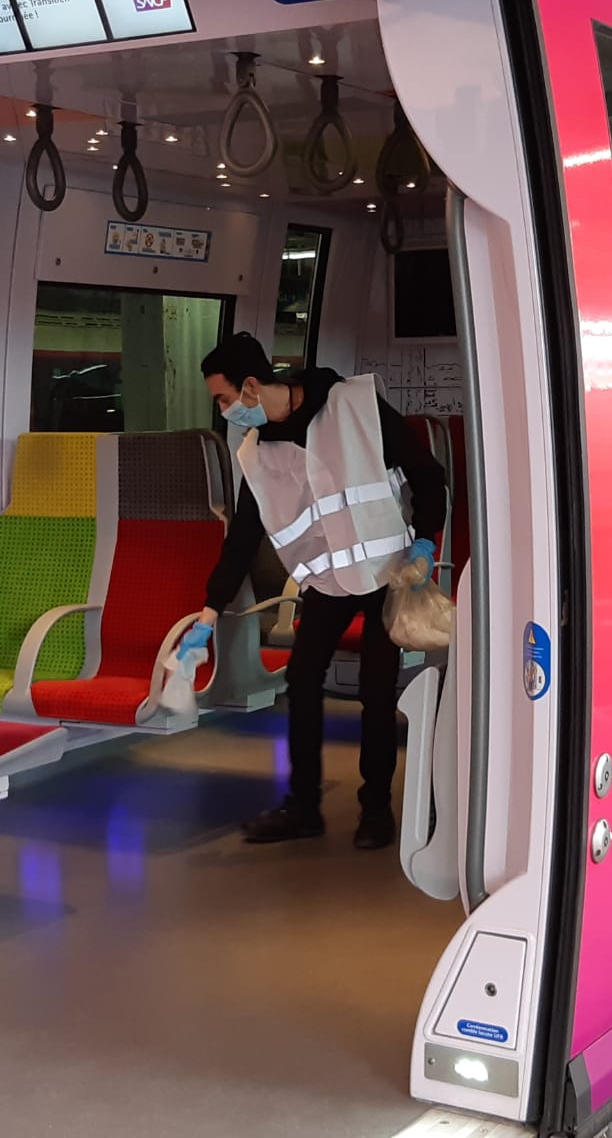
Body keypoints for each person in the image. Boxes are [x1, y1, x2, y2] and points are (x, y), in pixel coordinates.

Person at [177, 332, 446, 849]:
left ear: (251, 387)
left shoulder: (354, 407)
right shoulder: (256, 455)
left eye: (224, 398)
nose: (226, 412)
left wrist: (426, 540)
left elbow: (426, 474)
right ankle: (303, 807)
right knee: (301, 681)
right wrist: (208, 615)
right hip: (328, 581)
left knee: (376, 692)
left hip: (388, 572)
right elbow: (243, 540)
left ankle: (375, 810)